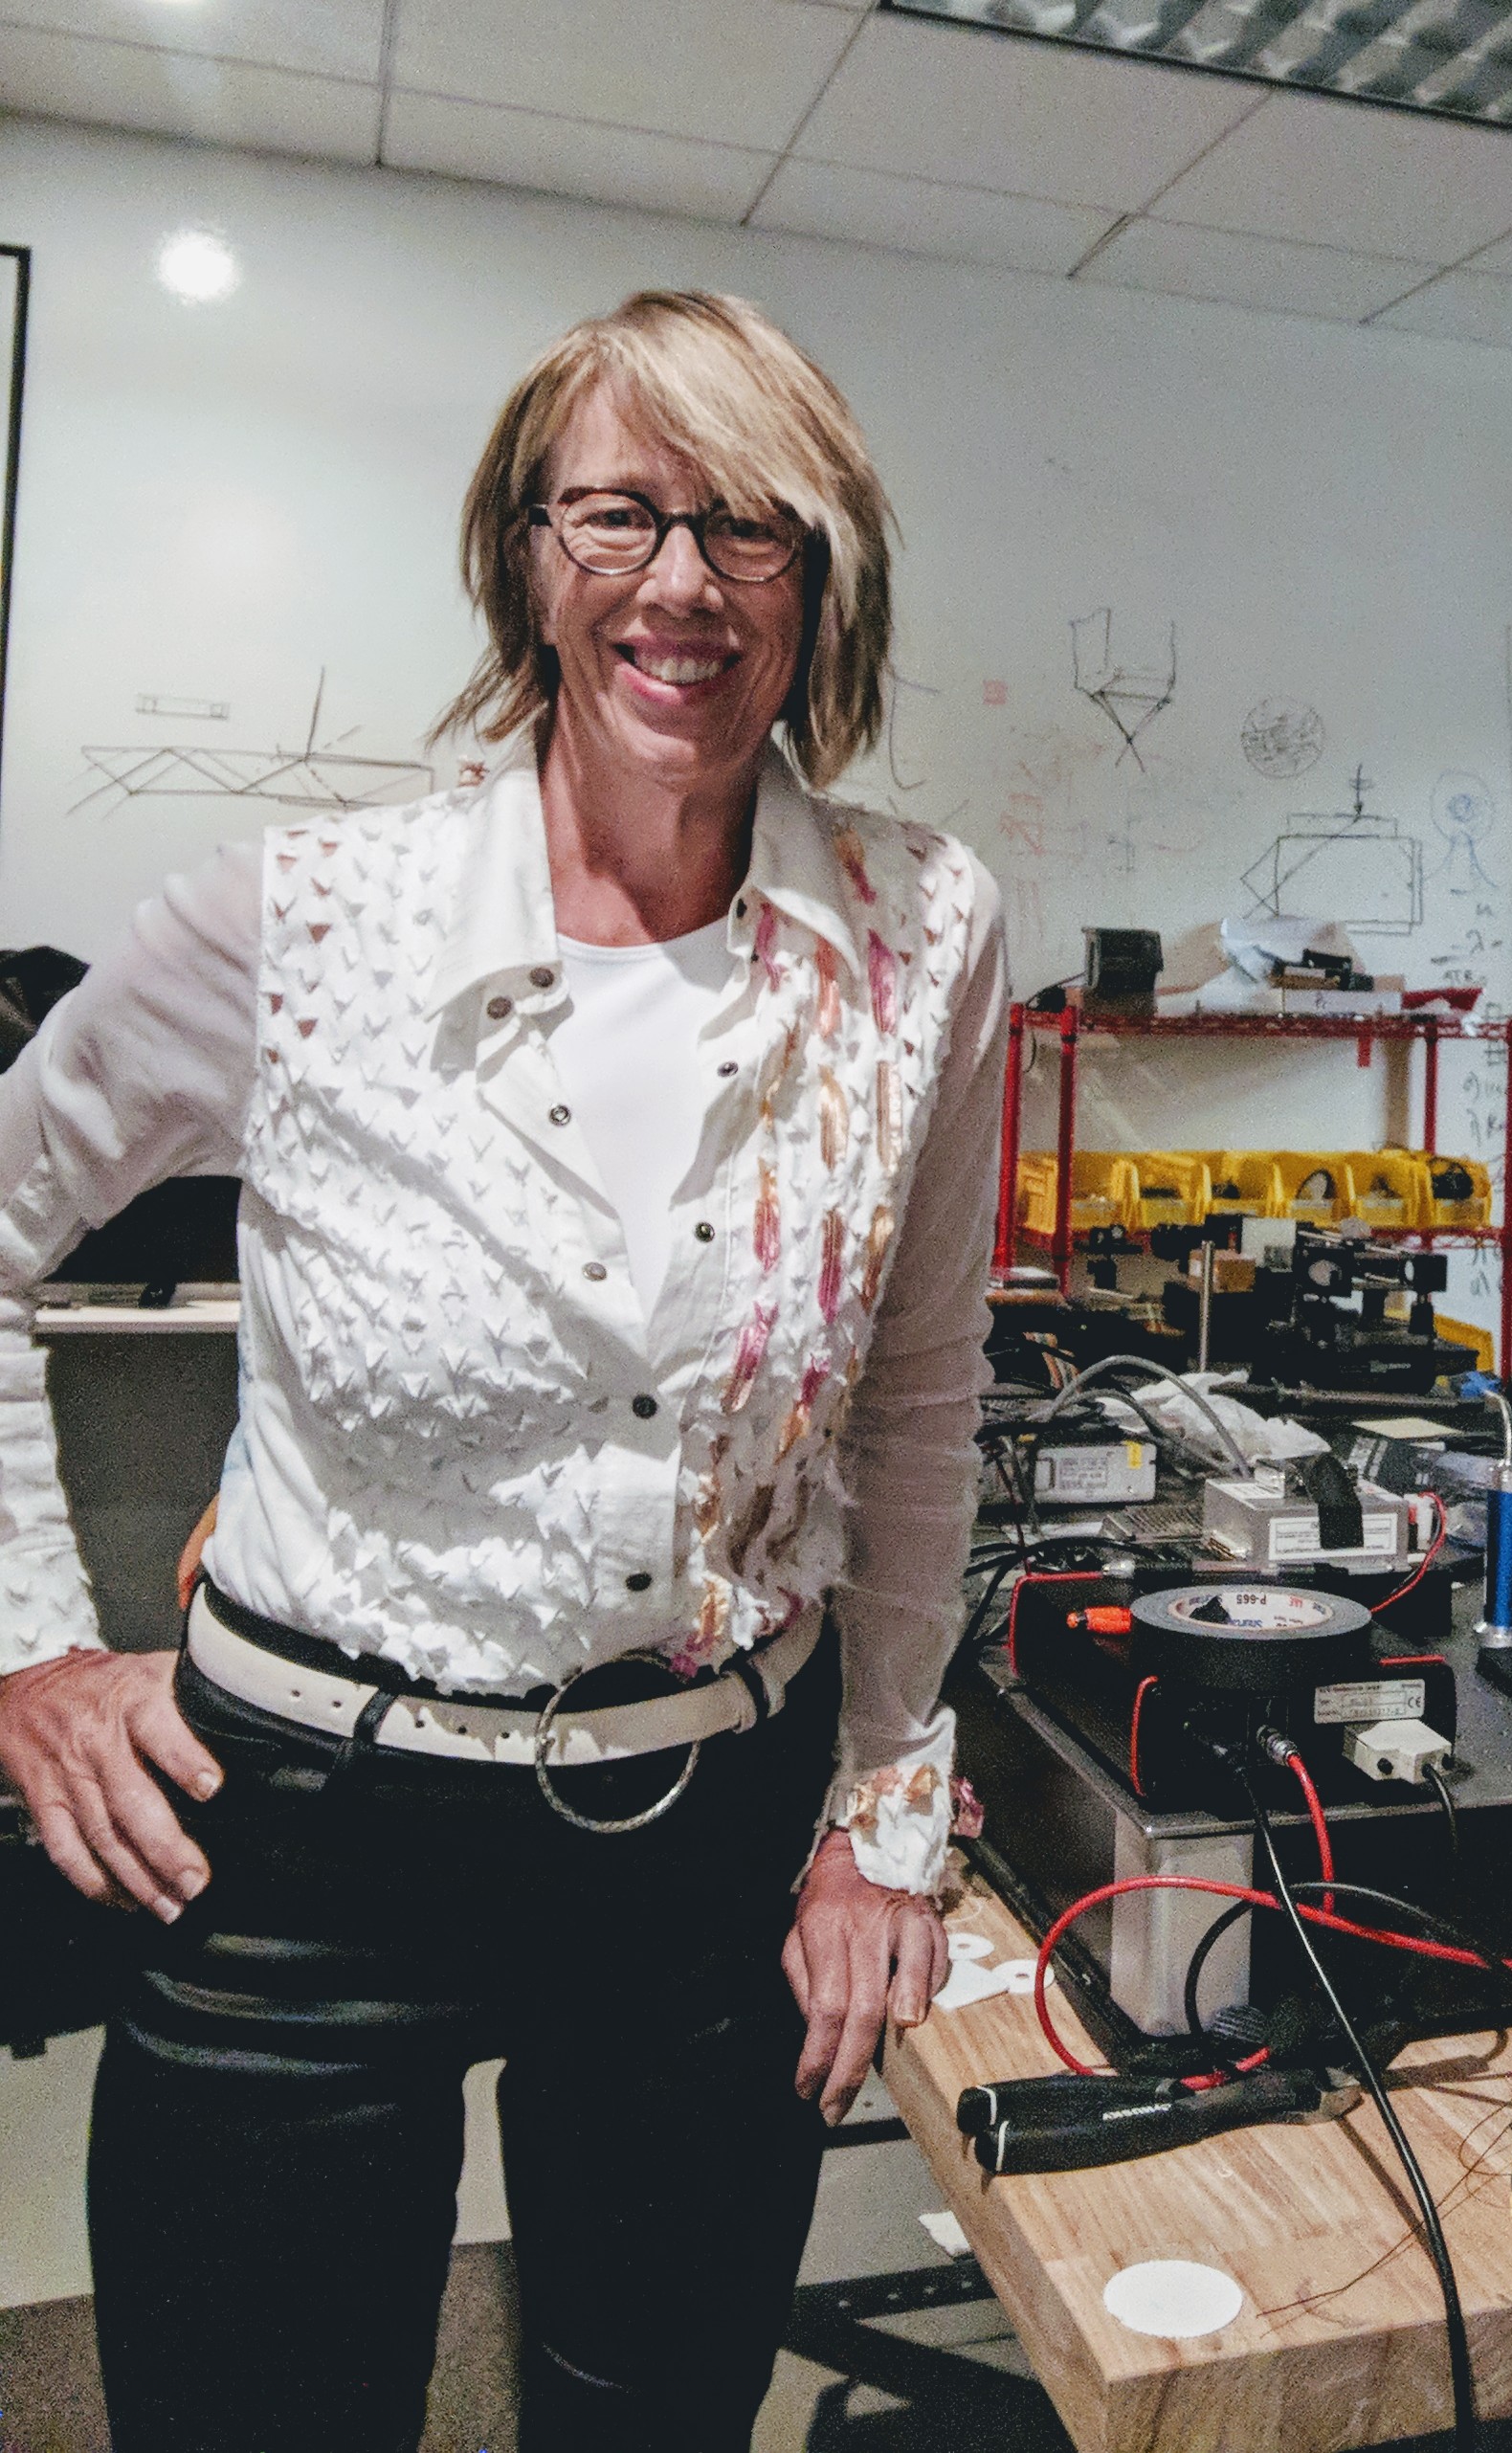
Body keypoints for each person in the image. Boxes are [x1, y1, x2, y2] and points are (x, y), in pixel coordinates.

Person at [0, 289, 1004, 2451]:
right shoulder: (303, 921)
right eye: (620, 514)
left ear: (824, 575)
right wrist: (23, 1653)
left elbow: (923, 1394)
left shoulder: (929, 935)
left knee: (655, 2420)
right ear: (526, 556)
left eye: (750, 525)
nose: (681, 583)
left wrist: (883, 1815)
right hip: (297, 1838)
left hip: (707, 1836)